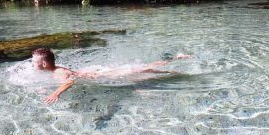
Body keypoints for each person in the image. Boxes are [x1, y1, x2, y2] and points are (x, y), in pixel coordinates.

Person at [30, 47, 193, 104]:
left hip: (106, 75)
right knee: (144, 68)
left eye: (33, 62)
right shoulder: (54, 70)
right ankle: (175, 59)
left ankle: (178, 68)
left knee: (146, 71)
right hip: (100, 73)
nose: (32, 65)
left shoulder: (58, 72)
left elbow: (70, 81)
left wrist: (55, 92)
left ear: (44, 64)